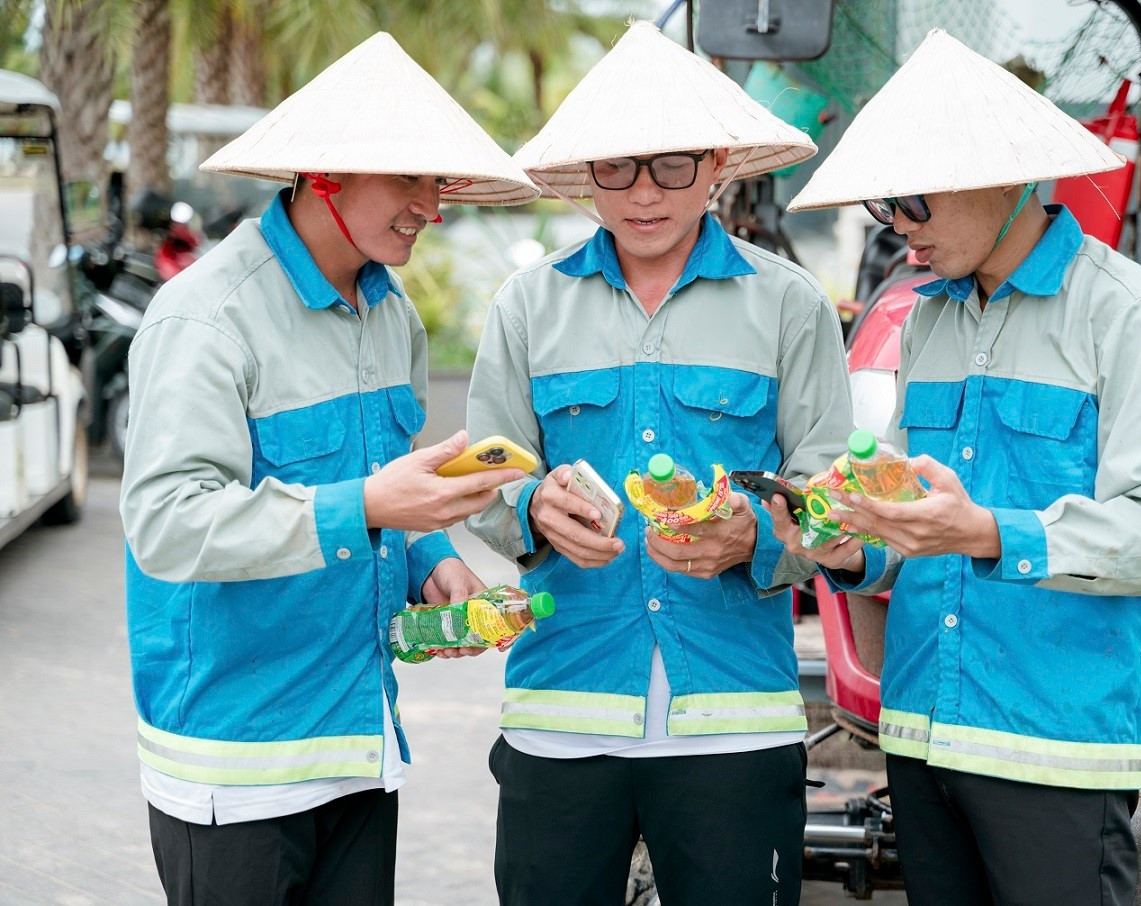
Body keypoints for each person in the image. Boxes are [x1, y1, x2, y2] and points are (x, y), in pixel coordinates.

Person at [775, 28, 1141, 906]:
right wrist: (844, 544)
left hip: (1051, 743)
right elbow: (911, 522)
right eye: (882, 209)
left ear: (1006, 177)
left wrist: (986, 530)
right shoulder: (924, 319)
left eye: (911, 203)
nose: (897, 230)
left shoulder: (1136, 320)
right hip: (920, 734)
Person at [119, 33, 537, 905]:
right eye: (408, 179)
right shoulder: (206, 318)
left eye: (439, 182)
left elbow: (387, 488)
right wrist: (366, 506)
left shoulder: (392, 317)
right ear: (323, 176)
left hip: (359, 744)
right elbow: (165, 525)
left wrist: (438, 563)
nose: (430, 205)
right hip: (235, 762)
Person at [464, 21, 853, 906]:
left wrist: (753, 537)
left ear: (716, 165)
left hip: (735, 719)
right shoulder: (527, 305)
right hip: (561, 711)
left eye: (673, 166)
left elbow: (833, 495)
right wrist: (529, 508)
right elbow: (482, 479)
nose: (645, 194)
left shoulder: (788, 304)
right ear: (586, 175)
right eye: (618, 168)